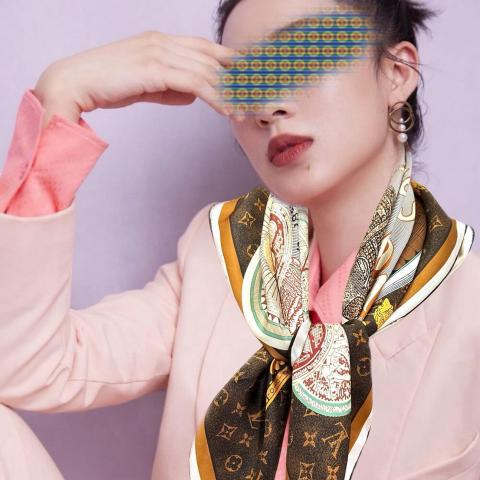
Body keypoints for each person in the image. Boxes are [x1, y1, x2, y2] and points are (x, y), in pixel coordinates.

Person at [1, 0, 479, 479]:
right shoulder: (219, 256)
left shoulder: (467, 310)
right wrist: (64, 92)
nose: (268, 107)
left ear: (397, 73)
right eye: (245, 82)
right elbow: (25, 366)